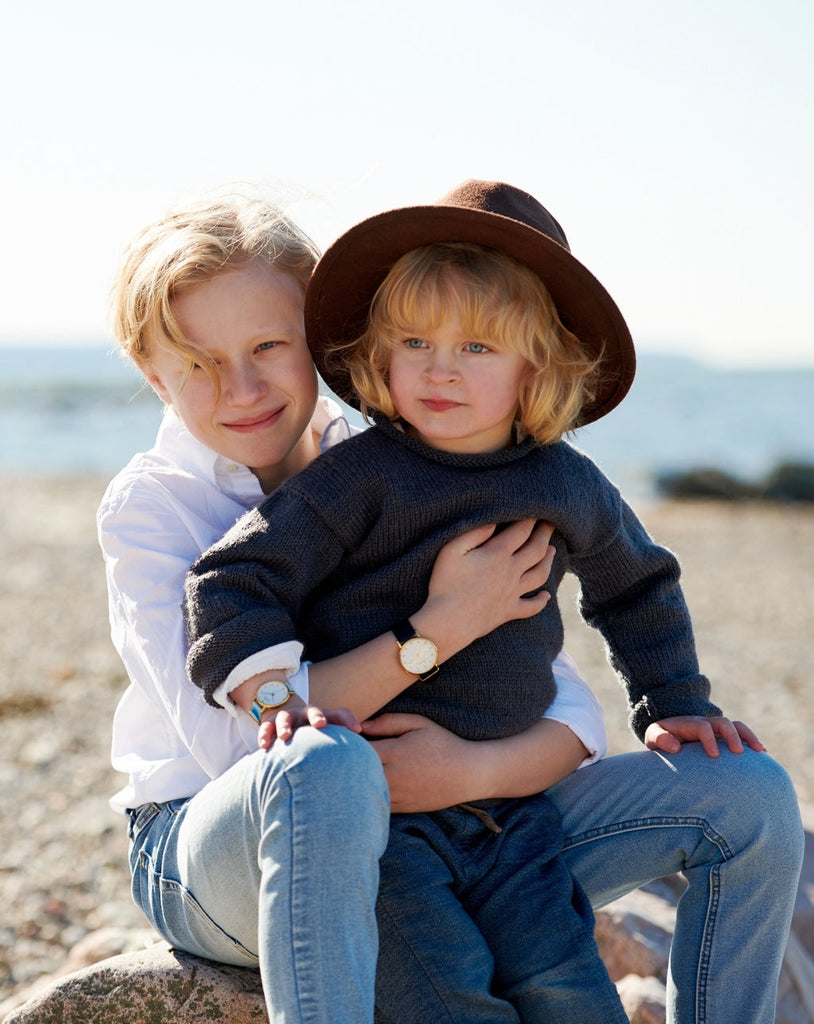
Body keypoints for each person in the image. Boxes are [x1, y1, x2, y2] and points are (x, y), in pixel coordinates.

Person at [185, 181, 804, 1024]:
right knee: (449, 999)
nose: (440, 368)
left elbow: (638, 585)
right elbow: (231, 578)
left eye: (478, 347)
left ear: (537, 367)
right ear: (380, 352)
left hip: (516, 821)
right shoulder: (356, 479)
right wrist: (275, 696)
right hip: (383, 828)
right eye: (415, 340)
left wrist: (673, 704)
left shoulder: (565, 483)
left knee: (569, 993)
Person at [98, 190, 606, 1024]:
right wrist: (436, 631)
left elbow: (558, 693)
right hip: (204, 838)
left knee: (738, 795)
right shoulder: (149, 511)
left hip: (428, 812)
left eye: (270, 345)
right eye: (197, 362)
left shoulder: (397, 457)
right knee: (322, 768)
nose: (242, 387)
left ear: (327, 340)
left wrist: (472, 771)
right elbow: (247, 749)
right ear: (152, 374)